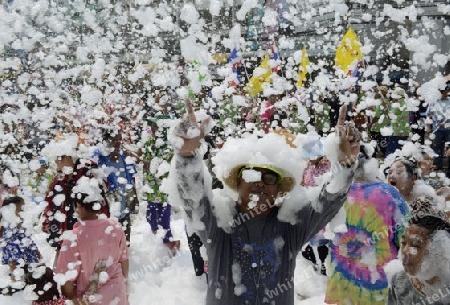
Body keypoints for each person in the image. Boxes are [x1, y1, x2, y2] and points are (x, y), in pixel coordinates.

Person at [167, 98, 360, 305]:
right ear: (238, 183)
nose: (260, 183)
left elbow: (328, 203)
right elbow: (193, 199)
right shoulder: (219, 224)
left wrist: (344, 166)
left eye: (269, 179)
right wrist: (186, 156)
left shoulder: (290, 227)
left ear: (278, 190)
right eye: (251, 175)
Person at [324, 144, 409, 305]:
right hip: (378, 286)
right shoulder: (388, 194)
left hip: (341, 280)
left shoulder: (331, 193)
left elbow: (320, 236)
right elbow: (406, 238)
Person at [56, 176, 129, 305]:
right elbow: (124, 263)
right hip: (117, 296)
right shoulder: (115, 227)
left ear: (79, 206)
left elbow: (67, 283)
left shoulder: (74, 239)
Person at [41, 134, 109, 263]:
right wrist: (49, 225)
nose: (56, 161)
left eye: (59, 158)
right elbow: (50, 203)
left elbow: (100, 210)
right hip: (64, 241)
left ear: (69, 157)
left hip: (86, 243)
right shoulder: (60, 178)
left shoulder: (88, 177)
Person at [388, 196, 450, 304]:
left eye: (415, 246)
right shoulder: (398, 280)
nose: (405, 251)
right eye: (403, 243)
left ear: (439, 252)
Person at [94, 127, 138, 246]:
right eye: (114, 140)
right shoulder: (101, 159)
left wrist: (135, 198)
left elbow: (131, 178)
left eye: (119, 140)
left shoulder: (124, 157)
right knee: (110, 242)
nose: (118, 143)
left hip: (125, 204)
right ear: (106, 140)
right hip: (109, 207)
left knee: (125, 241)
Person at [1, 196, 42, 295]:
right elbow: (12, 261)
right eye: (20, 210)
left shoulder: (21, 227)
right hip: (21, 271)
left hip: (29, 266)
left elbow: (30, 243)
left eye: (24, 209)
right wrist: (17, 281)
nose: (23, 213)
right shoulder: (9, 232)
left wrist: (39, 255)